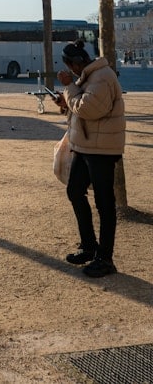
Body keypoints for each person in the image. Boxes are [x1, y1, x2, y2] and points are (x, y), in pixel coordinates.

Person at [54, 38, 125, 278]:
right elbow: (81, 107)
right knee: (75, 191)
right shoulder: (91, 76)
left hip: (101, 149)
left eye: (68, 66)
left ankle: (105, 258)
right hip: (86, 146)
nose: (69, 71)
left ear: (74, 64)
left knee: (104, 203)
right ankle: (89, 246)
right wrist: (66, 103)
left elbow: (89, 109)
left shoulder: (102, 76)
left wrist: (69, 87)